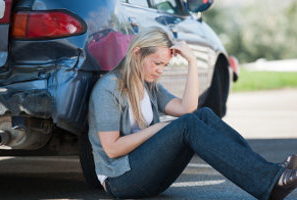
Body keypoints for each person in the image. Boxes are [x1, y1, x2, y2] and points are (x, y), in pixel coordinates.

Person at [88, 27, 297, 200]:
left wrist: (192, 62)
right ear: (137, 53)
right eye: (156, 63)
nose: (160, 70)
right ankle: (270, 180)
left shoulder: (149, 85)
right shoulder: (109, 89)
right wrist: (157, 129)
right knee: (188, 124)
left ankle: (268, 174)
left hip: (148, 174)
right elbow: (112, 149)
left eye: (165, 65)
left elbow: (187, 108)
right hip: (121, 181)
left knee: (203, 115)